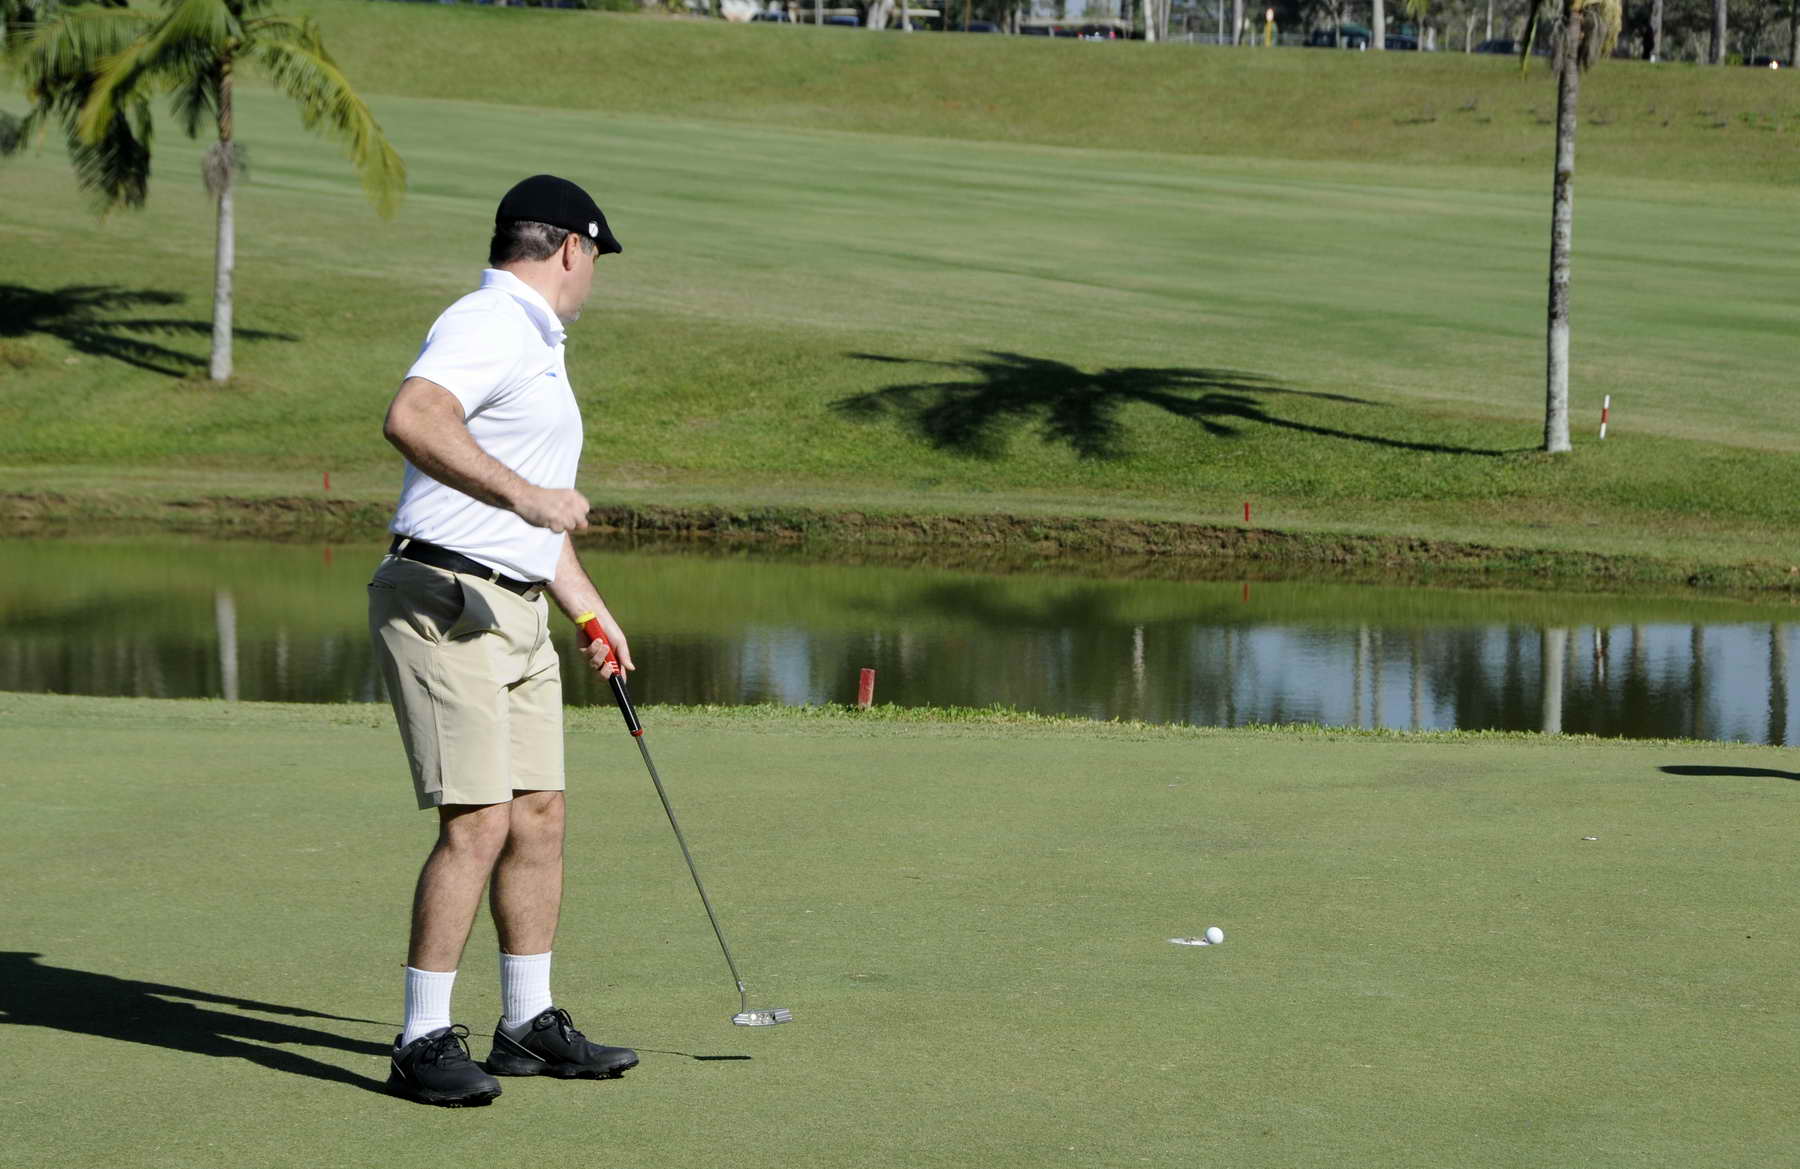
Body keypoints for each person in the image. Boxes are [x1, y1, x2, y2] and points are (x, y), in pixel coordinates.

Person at [368, 174, 636, 1108]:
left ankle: (526, 1021)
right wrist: (525, 495)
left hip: (515, 605)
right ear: (571, 247)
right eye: (595, 257)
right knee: (478, 818)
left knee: (539, 814)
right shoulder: (488, 321)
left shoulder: (535, 341)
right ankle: (420, 1038)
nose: (593, 274)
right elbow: (413, 416)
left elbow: (536, 524)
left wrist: (589, 609)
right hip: (445, 597)